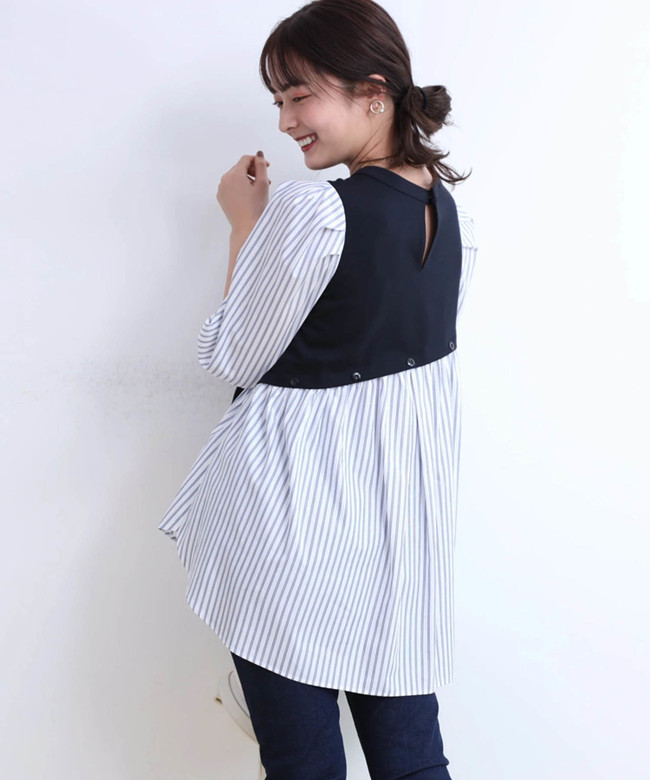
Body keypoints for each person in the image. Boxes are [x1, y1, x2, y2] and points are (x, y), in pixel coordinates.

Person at [158, 0, 479, 777]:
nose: (285, 122)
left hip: (293, 520)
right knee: (412, 759)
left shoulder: (317, 210)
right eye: (278, 100)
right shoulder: (447, 212)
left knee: (303, 762)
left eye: (299, 95)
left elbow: (234, 355)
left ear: (373, 92)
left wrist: (246, 223)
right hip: (397, 534)